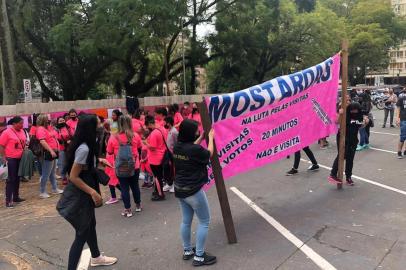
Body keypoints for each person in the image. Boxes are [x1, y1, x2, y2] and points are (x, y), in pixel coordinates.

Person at [56, 114, 117, 270]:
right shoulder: (84, 148)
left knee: (91, 224)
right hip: (81, 194)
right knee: (82, 233)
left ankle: (96, 257)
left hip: (85, 191)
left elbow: (83, 167)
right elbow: (74, 176)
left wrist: (99, 161)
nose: (101, 127)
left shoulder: (88, 145)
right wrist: (92, 192)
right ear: (91, 128)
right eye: (98, 124)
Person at [174, 119, 217, 266]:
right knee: (204, 221)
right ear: (189, 133)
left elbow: (190, 150)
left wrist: (200, 138)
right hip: (193, 191)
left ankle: (187, 251)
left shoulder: (177, 147)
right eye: (196, 131)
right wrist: (210, 138)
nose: (197, 132)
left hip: (179, 189)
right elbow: (209, 153)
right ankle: (199, 256)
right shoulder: (194, 150)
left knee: (186, 221)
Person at [107, 114, 142, 217]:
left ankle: (128, 210)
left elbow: (109, 152)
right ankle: (138, 205)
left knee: (124, 188)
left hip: (121, 167)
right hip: (134, 165)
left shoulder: (113, 137)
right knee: (135, 186)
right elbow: (140, 147)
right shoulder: (135, 135)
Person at [329, 101, 366, 186]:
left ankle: (348, 177)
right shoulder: (344, 113)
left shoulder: (359, 115)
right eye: (352, 110)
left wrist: (365, 121)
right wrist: (340, 113)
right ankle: (333, 174)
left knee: (350, 159)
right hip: (343, 138)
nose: (354, 112)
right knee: (342, 155)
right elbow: (337, 121)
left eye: (355, 110)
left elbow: (361, 125)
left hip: (353, 140)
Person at [0, 117, 27, 208]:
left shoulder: (22, 131)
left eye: (22, 123)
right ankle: (8, 201)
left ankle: (16, 197)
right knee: (11, 179)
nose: (22, 125)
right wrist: (3, 157)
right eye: (20, 123)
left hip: (20, 157)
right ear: (14, 124)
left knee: (17, 177)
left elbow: (23, 142)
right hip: (10, 158)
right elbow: (1, 146)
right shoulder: (6, 132)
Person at [36, 114, 63, 198]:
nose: (49, 120)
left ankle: (54, 188)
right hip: (48, 153)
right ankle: (42, 191)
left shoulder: (48, 128)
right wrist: (51, 150)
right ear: (43, 120)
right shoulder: (40, 129)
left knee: (52, 173)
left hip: (53, 152)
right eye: (47, 119)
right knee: (46, 173)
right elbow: (42, 141)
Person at [144, 115, 167, 201]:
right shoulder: (162, 128)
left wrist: (145, 142)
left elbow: (152, 147)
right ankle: (158, 191)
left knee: (157, 177)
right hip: (162, 155)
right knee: (159, 176)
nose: (147, 128)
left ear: (150, 124)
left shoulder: (154, 133)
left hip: (155, 158)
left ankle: (160, 194)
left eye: (147, 126)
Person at [162, 116, 178, 193]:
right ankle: (169, 183)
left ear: (168, 123)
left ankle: (175, 184)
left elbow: (177, 143)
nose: (164, 124)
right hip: (168, 153)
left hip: (173, 154)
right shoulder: (169, 130)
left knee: (174, 169)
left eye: (165, 123)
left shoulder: (174, 132)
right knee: (167, 169)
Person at [56, 117, 70, 185]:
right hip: (61, 149)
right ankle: (63, 177)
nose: (62, 122)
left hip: (69, 148)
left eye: (63, 120)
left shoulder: (68, 128)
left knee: (70, 163)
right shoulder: (56, 129)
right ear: (57, 122)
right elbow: (56, 139)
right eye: (60, 121)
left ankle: (71, 177)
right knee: (62, 164)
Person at [396, 88, 406, 158]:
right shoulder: (402, 98)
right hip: (403, 119)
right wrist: (397, 118)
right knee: (403, 136)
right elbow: (398, 108)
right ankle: (399, 152)